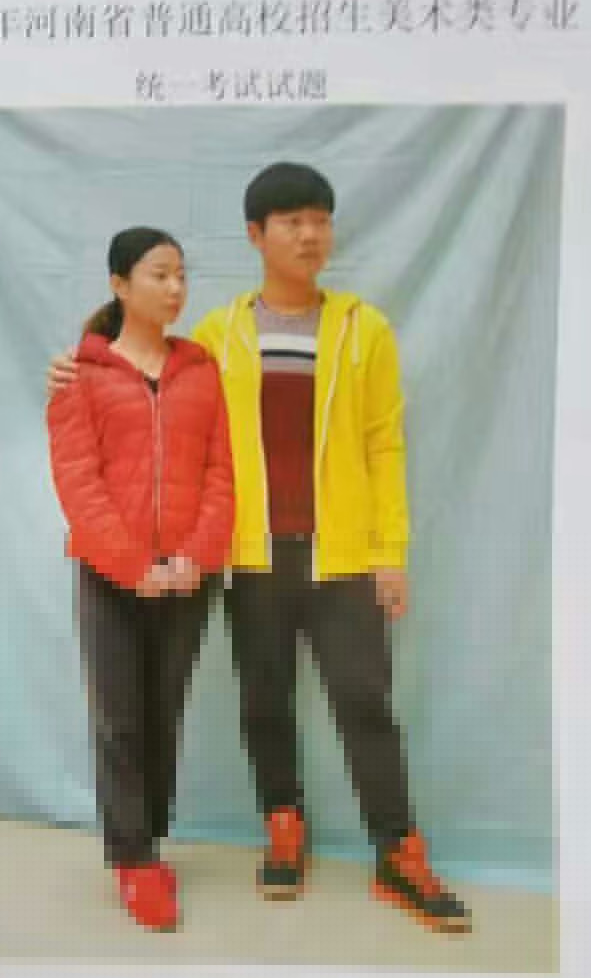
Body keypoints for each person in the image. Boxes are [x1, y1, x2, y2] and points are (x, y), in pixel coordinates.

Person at [47, 165, 471, 933]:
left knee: (365, 701)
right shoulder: (217, 335)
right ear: (255, 234)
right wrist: (76, 359)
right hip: (251, 557)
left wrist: (390, 549)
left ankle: (397, 850)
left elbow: (384, 444)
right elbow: (146, 374)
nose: (309, 235)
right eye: (291, 221)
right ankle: (283, 825)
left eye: (320, 220)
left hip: (341, 554)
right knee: (263, 699)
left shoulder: (364, 329)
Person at [46, 227, 234, 931]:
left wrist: (194, 557)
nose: (176, 288)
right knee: (119, 718)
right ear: (119, 284)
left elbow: (222, 473)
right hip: (110, 576)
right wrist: (133, 565)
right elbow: (78, 484)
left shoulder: (202, 370)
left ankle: (147, 841)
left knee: (163, 713)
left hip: (186, 579)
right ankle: (134, 860)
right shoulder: (81, 376)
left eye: (181, 274)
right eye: (159, 274)